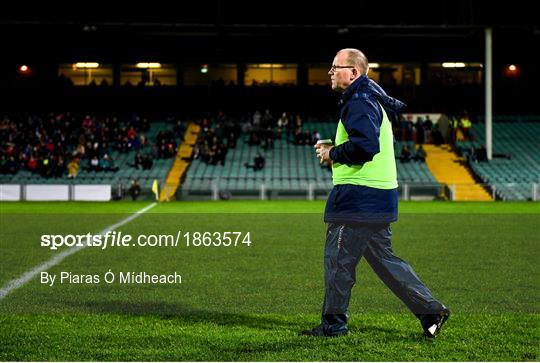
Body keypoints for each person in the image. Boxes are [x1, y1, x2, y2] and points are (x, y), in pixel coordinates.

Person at [306, 48, 450, 338]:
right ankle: (431, 311)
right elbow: (366, 142)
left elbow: (365, 146)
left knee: (338, 261)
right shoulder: (368, 99)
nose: (331, 72)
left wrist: (333, 152)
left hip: (359, 198)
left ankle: (333, 326)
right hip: (377, 197)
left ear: (354, 72)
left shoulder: (358, 101)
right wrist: (335, 149)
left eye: (336, 67)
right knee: (385, 261)